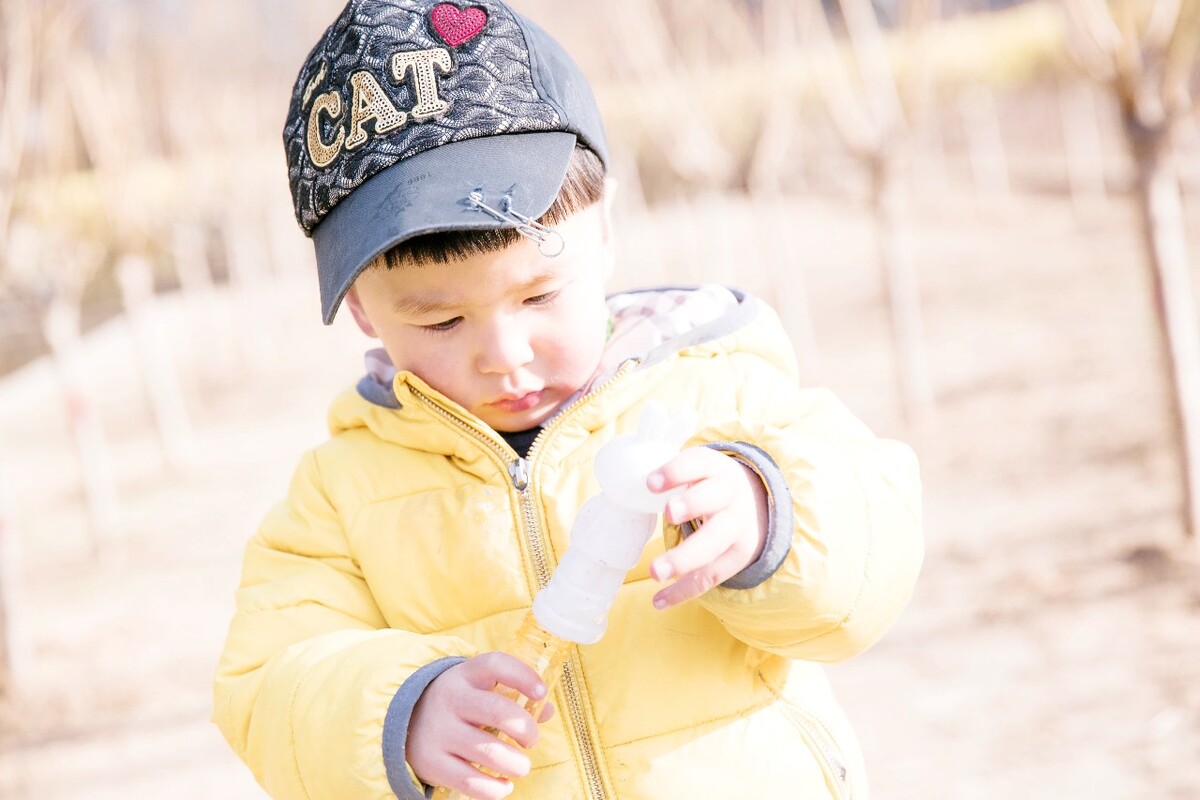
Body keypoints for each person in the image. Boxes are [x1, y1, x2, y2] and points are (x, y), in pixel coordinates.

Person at [211, 1, 924, 798]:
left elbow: (874, 535)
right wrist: (399, 712)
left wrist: (769, 512)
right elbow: (268, 683)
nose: (505, 355)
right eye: (442, 321)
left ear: (605, 229)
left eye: (540, 296)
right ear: (362, 311)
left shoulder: (715, 387)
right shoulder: (341, 494)